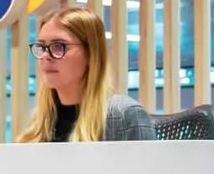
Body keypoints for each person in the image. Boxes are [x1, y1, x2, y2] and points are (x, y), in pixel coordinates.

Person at [14, 8, 154, 143]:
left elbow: (147, 167)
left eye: (58, 46)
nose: (45, 56)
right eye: (41, 47)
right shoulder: (38, 123)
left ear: (90, 53)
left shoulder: (125, 116)